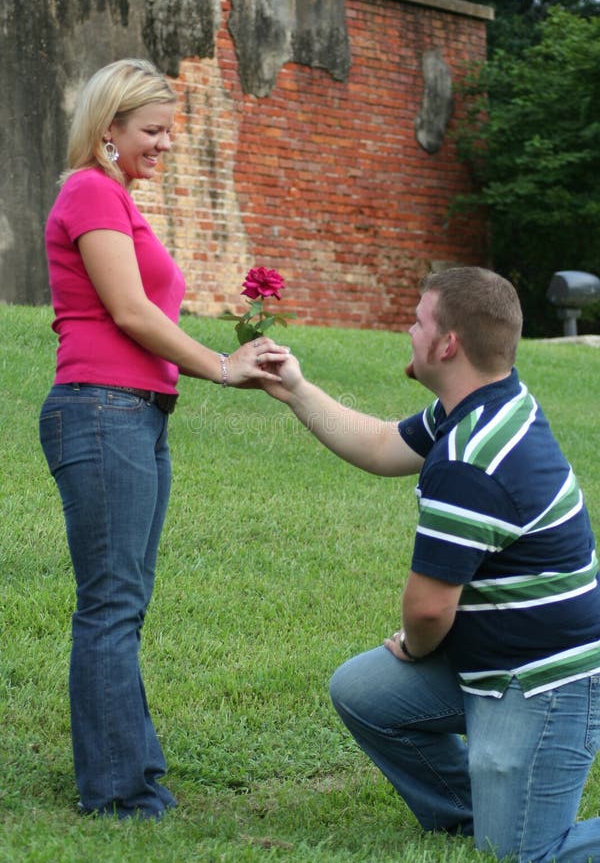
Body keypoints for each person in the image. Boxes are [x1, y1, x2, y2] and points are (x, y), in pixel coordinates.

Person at [264, 266, 600, 862]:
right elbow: (381, 446)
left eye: (418, 321)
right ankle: (472, 813)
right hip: (492, 658)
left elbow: (426, 608)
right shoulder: (481, 403)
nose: (408, 331)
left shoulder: (472, 457)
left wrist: (419, 649)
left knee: (526, 857)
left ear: (448, 344)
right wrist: (293, 387)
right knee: (363, 692)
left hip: (546, 680)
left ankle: (512, 829)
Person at [39, 58, 289, 820]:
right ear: (108, 129)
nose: (166, 146)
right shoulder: (89, 191)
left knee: (125, 601)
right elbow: (131, 313)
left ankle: (130, 765)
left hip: (135, 413)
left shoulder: (117, 199)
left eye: (169, 132)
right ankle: (118, 794)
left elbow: (150, 315)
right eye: (153, 131)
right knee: (111, 604)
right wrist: (221, 366)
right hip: (101, 408)